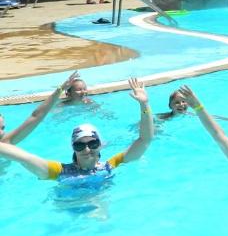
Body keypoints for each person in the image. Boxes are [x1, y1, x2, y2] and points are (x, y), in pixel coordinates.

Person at [0, 77, 154, 181]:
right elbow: (24, 158)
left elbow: (145, 140)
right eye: (80, 145)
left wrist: (144, 104)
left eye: (92, 143)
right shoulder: (59, 171)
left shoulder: (110, 166)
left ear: (101, 145)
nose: (87, 149)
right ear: (73, 148)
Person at [0, 71, 77, 145]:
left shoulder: (4, 143)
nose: (1, 133)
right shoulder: (5, 143)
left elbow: (36, 116)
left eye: (2, 128)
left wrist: (60, 89)